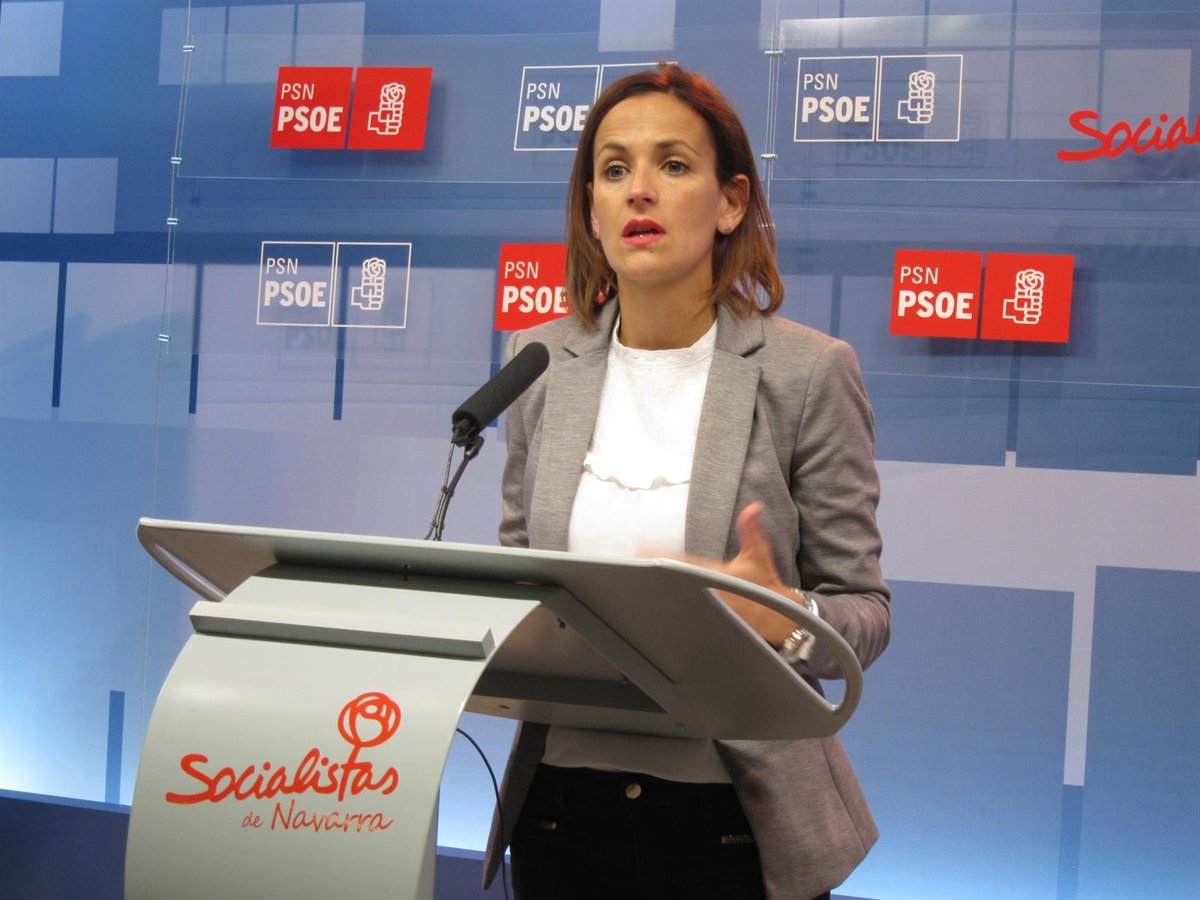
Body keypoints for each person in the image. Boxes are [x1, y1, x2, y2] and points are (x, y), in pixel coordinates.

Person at [483, 63, 890, 900]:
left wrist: (785, 620)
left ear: (731, 201)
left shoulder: (808, 373)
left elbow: (865, 613)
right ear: (591, 208)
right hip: (560, 812)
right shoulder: (538, 363)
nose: (640, 190)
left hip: (735, 820)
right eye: (614, 169)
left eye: (673, 165)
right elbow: (522, 577)